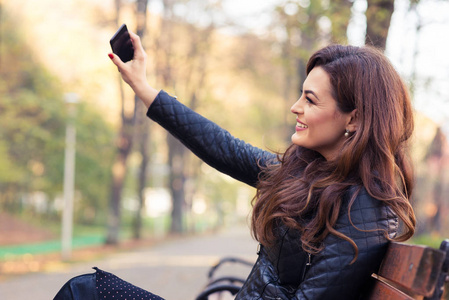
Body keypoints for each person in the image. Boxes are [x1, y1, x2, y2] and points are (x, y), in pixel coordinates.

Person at [55, 31, 416, 300]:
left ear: (353, 119)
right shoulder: (308, 176)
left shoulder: (365, 210)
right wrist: (144, 88)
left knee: (85, 292)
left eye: (310, 99)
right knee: (85, 290)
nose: (295, 107)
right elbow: (223, 148)